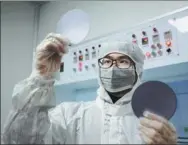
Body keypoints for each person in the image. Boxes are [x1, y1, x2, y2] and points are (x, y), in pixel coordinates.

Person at [2, 33, 177, 144]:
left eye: (123, 61)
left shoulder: (152, 126)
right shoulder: (69, 116)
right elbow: (18, 140)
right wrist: (40, 76)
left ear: (138, 70)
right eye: (107, 62)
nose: (113, 68)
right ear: (99, 69)